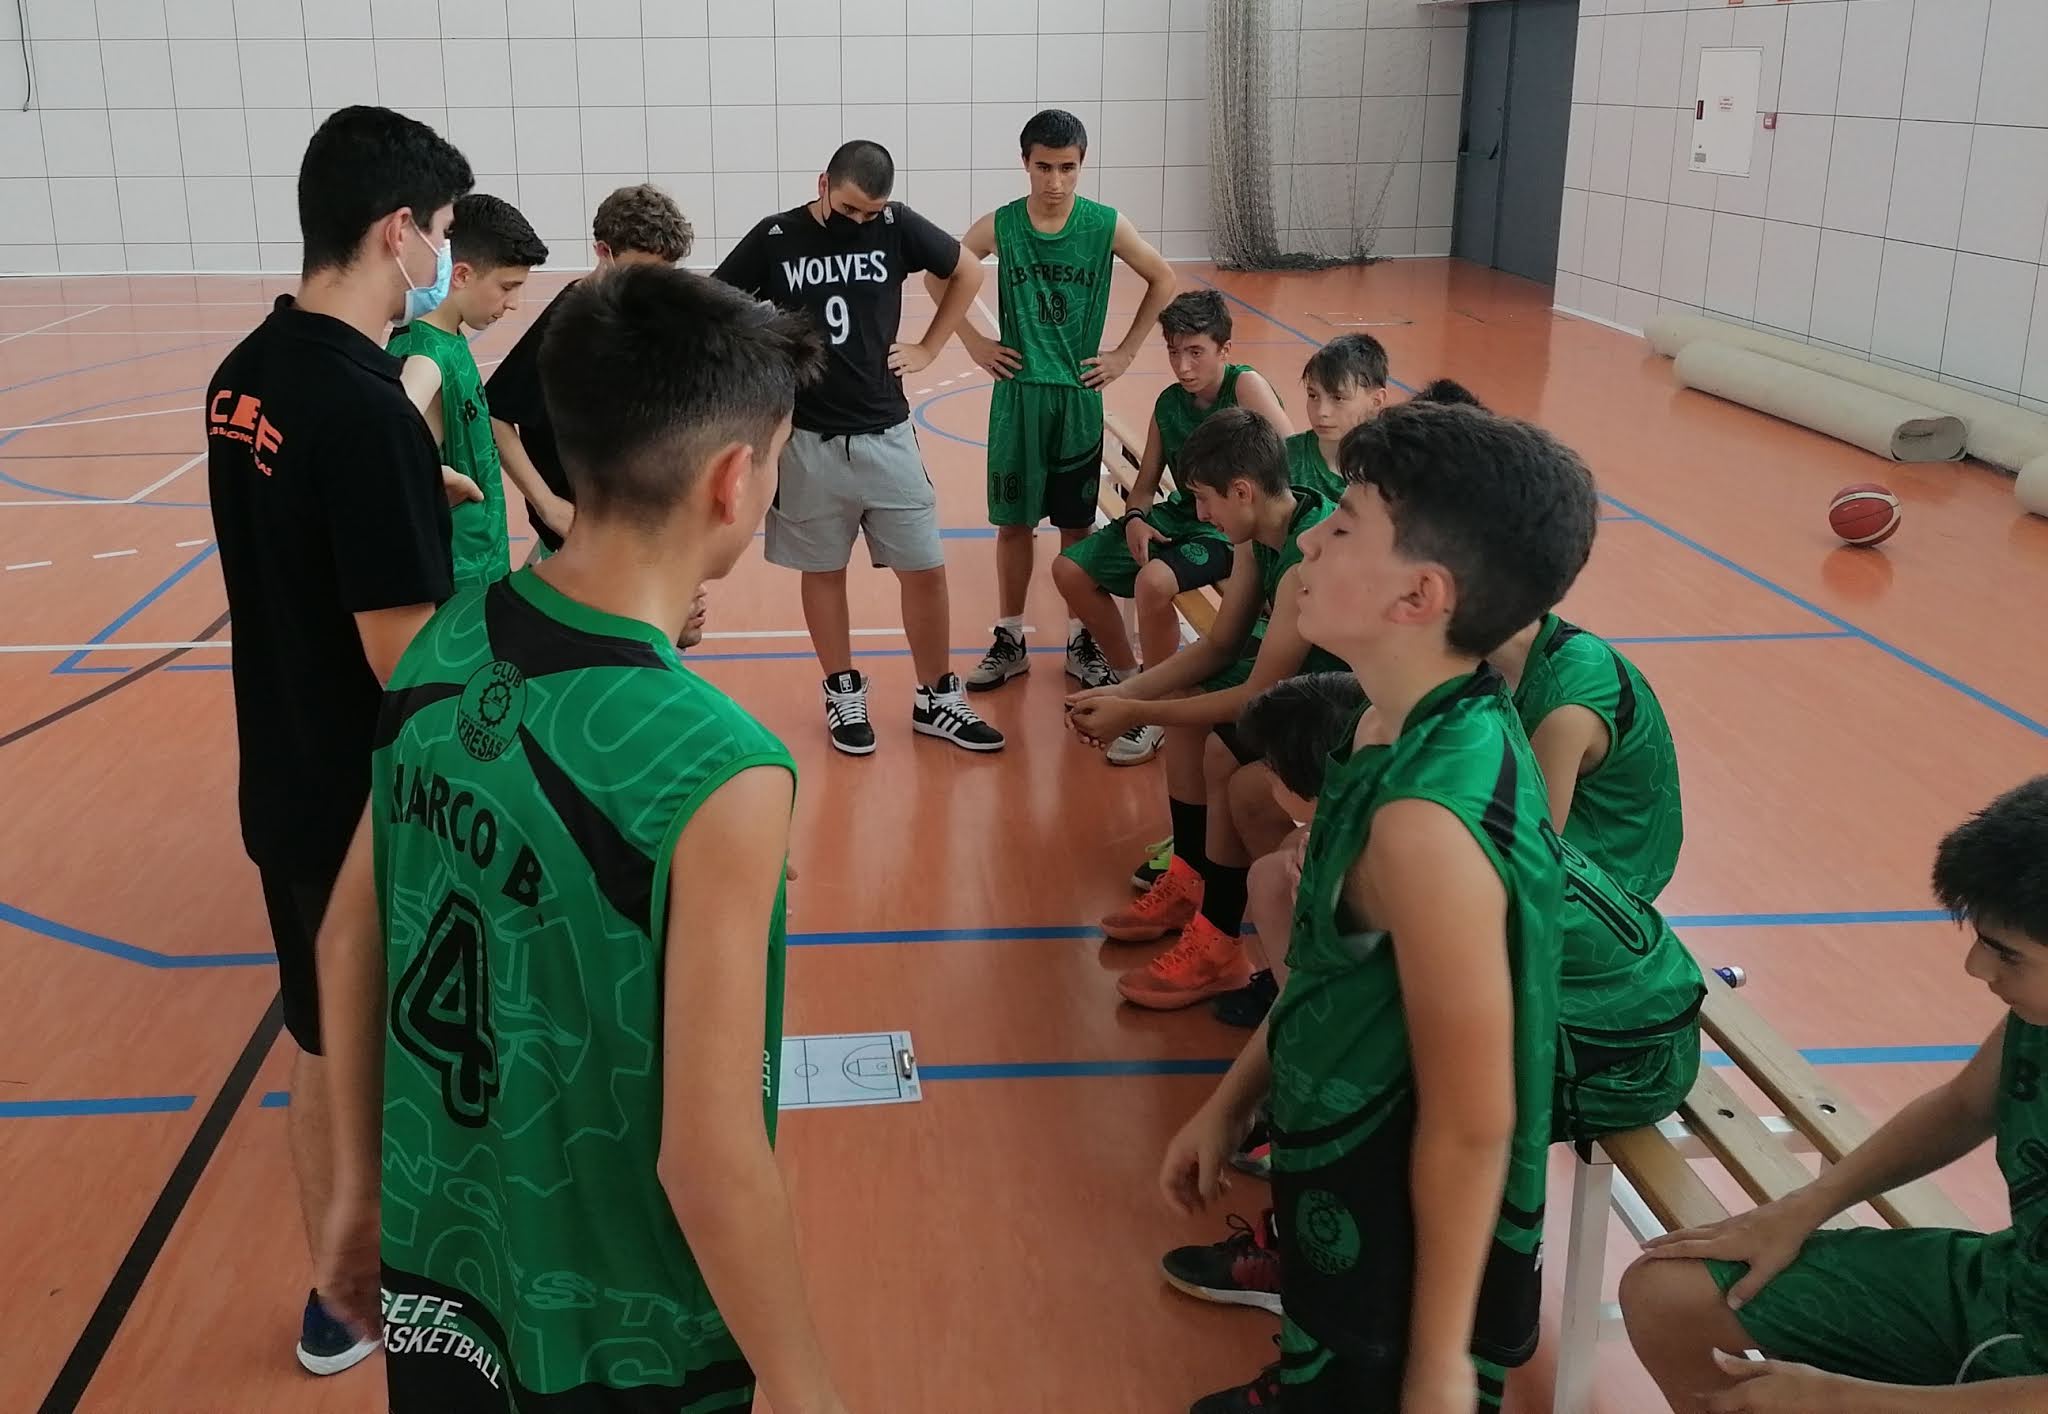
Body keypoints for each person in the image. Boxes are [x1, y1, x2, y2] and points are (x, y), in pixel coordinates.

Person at [313, 265, 856, 1414]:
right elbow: (707, 1164)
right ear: (731, 479)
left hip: (439, 1257)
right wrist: (808, 1384)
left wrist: (357, 1191)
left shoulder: (443, 640)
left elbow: (347, 935)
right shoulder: (722, 768)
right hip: (621, 1333)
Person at [1160, 401, 1599, 1413]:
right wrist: (1230, 1100)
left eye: (1344, 524)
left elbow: (1470, 1120)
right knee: (1328, 1353)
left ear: (1420, 595)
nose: (1310, 536)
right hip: (1338, 1146)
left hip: (1402, 1214)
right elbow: (1327, 964)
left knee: (1372, 1370)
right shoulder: (1379, 729)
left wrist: (1439, 1362)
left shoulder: (1426, 825)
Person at [203, 103, 471, 1377]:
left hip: (282, 770)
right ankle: (382, 1277)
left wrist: (416, 493)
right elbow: (405, 661)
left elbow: (303, 536)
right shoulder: (368, 413)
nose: (444, 259)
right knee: (383, 1050)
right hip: (370, 803)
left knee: (319, 1032)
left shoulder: (247, 369)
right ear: (394, 231)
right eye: (442, 234)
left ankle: (334, 1295)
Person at [1621, 774, 2048, 1414]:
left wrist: (1849, 1399)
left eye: (2005, 954)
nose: (1977, 970)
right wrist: (1801, 1207)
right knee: (1670, 1296)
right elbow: (1963, 1108)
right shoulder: (2037, 1017)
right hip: (2010, 1291)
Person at [714, 139, 1002, 755]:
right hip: (808, 441)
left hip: (886, 431)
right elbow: (719, 303)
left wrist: (928, 346)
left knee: (924, 567)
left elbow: (969, 271)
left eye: (872, 213)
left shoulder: (896, 227)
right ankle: (843, 690)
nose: (860, 222)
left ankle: (936, 697)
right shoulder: (775, 237)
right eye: (849, 210)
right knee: (823, 571)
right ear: (822, 184)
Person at [1066, 408, 1344, 1011]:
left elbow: (1257, 696)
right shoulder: (1258, 531)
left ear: (1242, 491)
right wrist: (1128, 694)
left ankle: (1221, 940)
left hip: (1334, 704)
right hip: (1298, 687)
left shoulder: (1302, 558)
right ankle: (1192, 881)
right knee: (1185, 704)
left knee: (1225, 755)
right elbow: (1220, 645)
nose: (1199, 517)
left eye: (1204, 500)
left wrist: (1134, 714)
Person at [945, 108, 1179, 693]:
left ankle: (1083, 638)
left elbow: (1164, 278)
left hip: (1078, 399)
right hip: (1018, 398)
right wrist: (973, 341)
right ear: (1025, 163)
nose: (1055, 181)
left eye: (1067, 168)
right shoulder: (1002, 225)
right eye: (1044, 167)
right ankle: (1010, 637)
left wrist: (1124, 353)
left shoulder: (1105, 225)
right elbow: (939, 270)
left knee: (1076, 527)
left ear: (1082, 165)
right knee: (1014, 525)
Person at [1053, 289, 1291, 767]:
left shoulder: (1246, 388)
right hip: (1182, 515)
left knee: (1153, 582)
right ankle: (1129, 682)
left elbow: (1289, 465)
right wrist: (1137, 518)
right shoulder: (1169, 403)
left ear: (1225, 349)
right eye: (1174, 352)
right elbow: (1143, 486)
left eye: (1196, 351)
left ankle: (1154, 712)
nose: (1183, 366)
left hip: (1227, 528)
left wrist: (1275, 559)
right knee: (1068, 571)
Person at [487, 183, 695, 562]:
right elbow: (498, 416)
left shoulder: (653, 313)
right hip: (583, 537)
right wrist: (547, 504)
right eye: (640, 274)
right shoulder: (566, 323)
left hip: (644, 525)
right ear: (604, 253)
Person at [391, 191, 549, 590]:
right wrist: (428, 475)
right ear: (462, 275)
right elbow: (384, 437)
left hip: (480, 569)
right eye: (506, 286)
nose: (513, 303)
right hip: (454, 582)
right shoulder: (426, 357)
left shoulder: (449, 339)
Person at [1283, 334, 1391, 500]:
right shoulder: (1285, 459)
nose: (1321, 412)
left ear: (1376, 401)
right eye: (1313, 396)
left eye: (1338, 398)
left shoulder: (1395, 467)